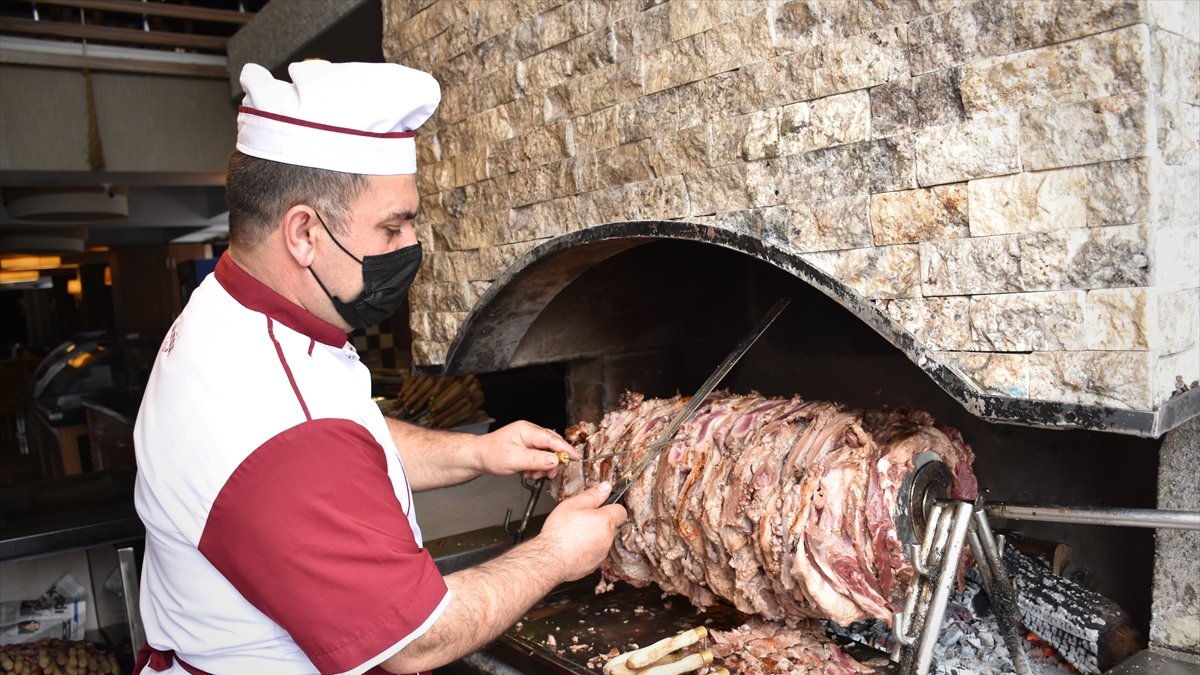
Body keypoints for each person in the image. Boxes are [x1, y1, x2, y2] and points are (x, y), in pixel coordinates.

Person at [132, 60, 627, 675]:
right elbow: (415, 641)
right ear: (304, 233)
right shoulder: (276, 420)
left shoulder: (232, 314)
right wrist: (557, 553)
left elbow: (346, 440)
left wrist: (476, 454)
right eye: (392, 227)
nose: (411, 246)